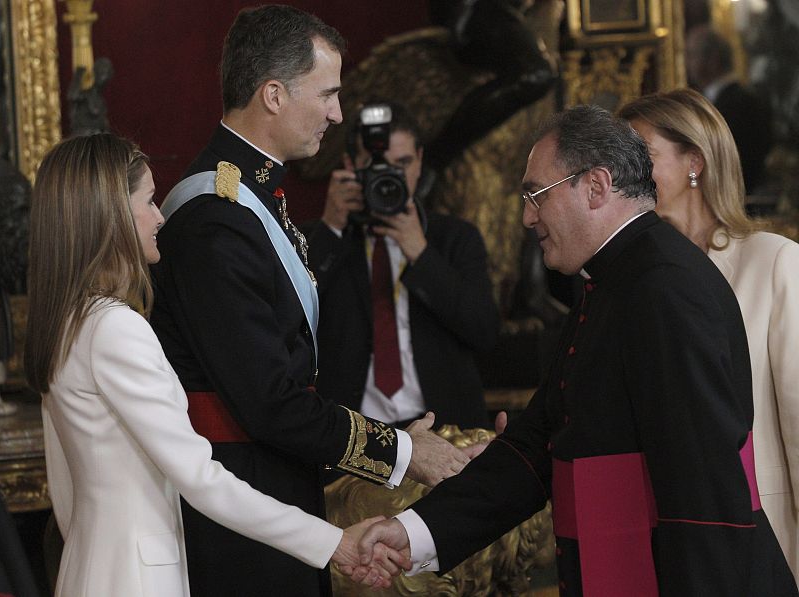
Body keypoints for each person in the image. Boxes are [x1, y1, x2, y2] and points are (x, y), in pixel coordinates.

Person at [353, 104, 798, 595]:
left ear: (596, 186)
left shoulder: (664, 287)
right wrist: (412, 533)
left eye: (535, 195)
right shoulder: (614, 280)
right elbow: (537, 445)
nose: (527, 217)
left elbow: (704, 494)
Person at [149, 5, 469, 596]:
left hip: (274, 486)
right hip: (241, 511)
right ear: (274, 95)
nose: (337, 113)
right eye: (327, 94)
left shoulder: (250, 199)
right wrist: (400, 452)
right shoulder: (216, 219)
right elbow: (270, 402)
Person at [23, 134, 408, 596]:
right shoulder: (116, 328)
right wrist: (332, 543)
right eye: (148, 201)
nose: (160, 217)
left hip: (88, 570)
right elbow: (201, 479)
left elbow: (64, 489)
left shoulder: (67, 321)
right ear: (111, 215)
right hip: (139, 578)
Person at [619, 87, 799, 582]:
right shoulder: (627, 281)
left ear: (694, 162)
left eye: (641, 156)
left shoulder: (774, 262)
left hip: (766, 553)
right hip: (664, 552)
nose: (622, 174)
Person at [303, 101, 499, 432]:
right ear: (351, 166)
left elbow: (484, 332)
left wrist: (420, 252)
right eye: (377, 166)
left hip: (445, 428)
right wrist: (331, 228)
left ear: (420, 161)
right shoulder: (316, 239)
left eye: (403, 163)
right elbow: (290, 321)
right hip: (352, 434)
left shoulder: (454, 238)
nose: (390, 177)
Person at [425, 0, 557, 171]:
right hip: (475, 10)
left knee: (550, 73)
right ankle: (436, 157)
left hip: (508, 11)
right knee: (537, 73)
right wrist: (460, 14)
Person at [684, 25, 772, 193]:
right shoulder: (720, 100)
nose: (687, 62)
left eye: (692, 54)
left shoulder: (741, 103)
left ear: (713, 59)